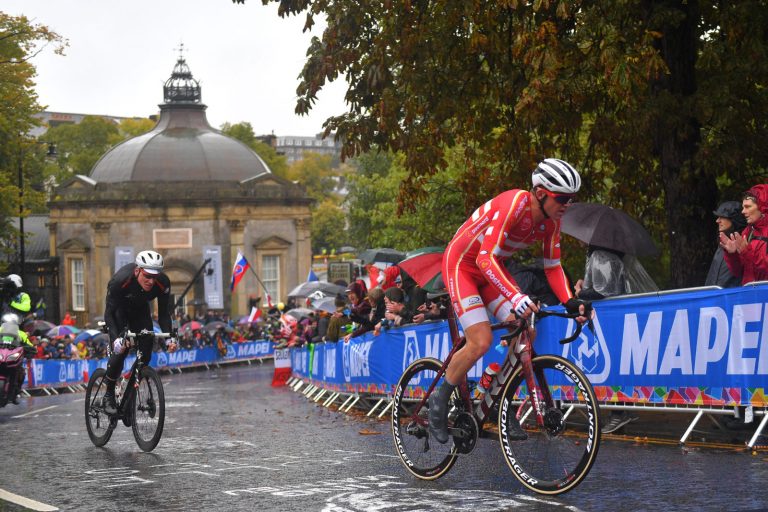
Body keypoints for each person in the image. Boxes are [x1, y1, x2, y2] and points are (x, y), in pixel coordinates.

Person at [429, 158, 591, 444]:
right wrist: (516, 296)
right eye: (562, 198)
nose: (567, 205)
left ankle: (491, 396)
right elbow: (483, 257)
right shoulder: (514, 204)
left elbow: (552, 267)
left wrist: (569, 300)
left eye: (571, 199)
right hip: (463, 265)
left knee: (526, 330)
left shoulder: (551, 222)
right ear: (541, 194)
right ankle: (438, 405)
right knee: (480, 341)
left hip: (491, 268)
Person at [102, 250, 177, 415]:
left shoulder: (162, 283)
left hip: (140, 311)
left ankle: (130, 385)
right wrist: (115, 340)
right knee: (121, 351)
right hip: (118, 312)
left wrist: (169, 338)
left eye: (154, 277)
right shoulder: (120, 281)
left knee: (146, 351)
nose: (151, 281)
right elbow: (109, 313)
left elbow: (164, 314)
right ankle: (108, 394)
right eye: (147, 276)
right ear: (137, 271)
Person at [720, 184, 768, 285]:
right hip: (749, 296)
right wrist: (732, 254)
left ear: (763, 207)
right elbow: (738, 272)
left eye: (748, 207)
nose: (743, 211)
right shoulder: (748, 231)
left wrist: (747, 252)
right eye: (743, 207)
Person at [705, 201, 747, 287]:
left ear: (734, 219)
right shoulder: (722, 241)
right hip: (715, 296)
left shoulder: (744, 242)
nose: (717, 221)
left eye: (722, 217)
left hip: (733, 298)